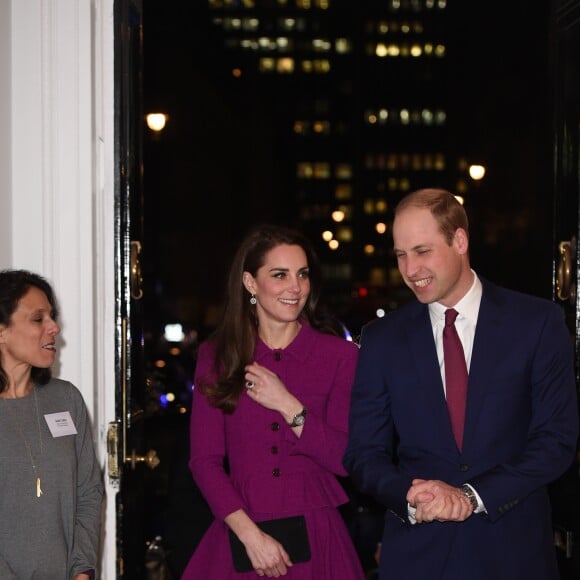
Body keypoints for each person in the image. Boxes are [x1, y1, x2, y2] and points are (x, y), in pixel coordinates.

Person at [343, 188, 579, 580]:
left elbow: (556, 440)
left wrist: (473, 496)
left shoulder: (536, 323)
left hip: (514, 554)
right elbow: (363, 455)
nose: (410, 268)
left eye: (422, 251)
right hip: (418, 557)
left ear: (460, 241)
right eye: (401, 255)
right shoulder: (382, 339)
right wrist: (409, 494)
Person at [181, 224, 365, 579]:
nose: (294, 287)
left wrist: (288, 405)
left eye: (302, 275)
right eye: (279, 275)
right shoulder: (217, 356)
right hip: (241, 529)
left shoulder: (340, 356)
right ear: (251, 283)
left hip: (318, 533)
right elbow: (204, 461)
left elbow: (346, 460)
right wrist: (251, 537)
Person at [0, 269, 104, 579]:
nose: (54, 327)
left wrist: (82, 569)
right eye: (38, 318)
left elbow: (88, 492)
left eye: (52, 317)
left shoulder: (66, 399)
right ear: (2, 331)